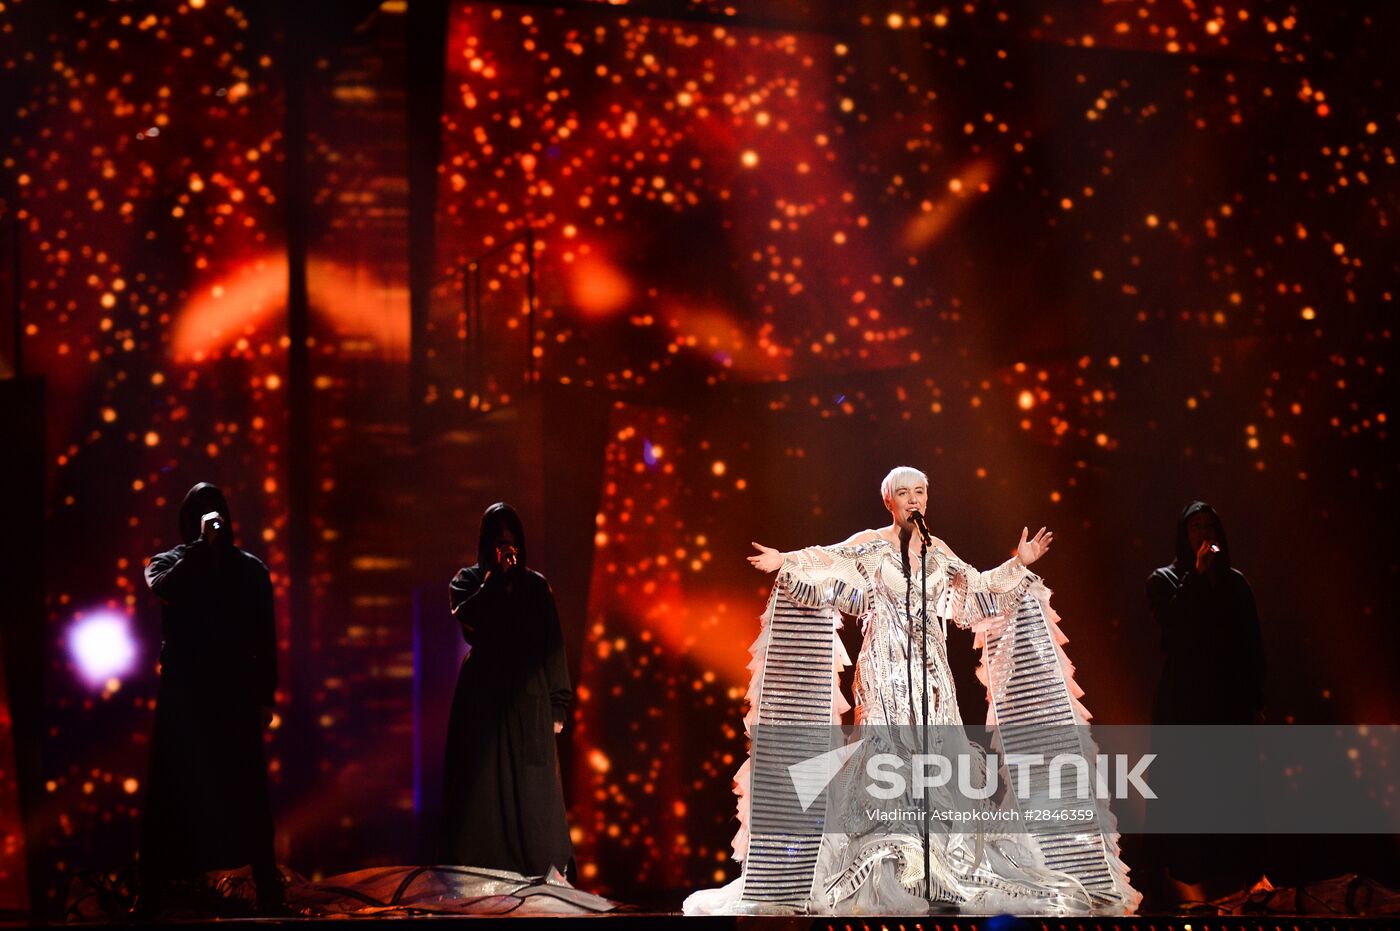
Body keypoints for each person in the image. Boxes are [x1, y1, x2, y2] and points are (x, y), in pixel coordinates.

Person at [685, 466, 1138, 915]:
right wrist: (786, 560)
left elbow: (976, 593)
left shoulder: (938, 551)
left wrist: (1017, 564)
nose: (914, 499)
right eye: (904, 493)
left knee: (936, 758)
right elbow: (826, 560)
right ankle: (890, 870)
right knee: (890, 759)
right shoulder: (870, 546)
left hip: (932, 675)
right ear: (890, 501)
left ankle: (941, 868)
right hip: (884, 672)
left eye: (920, 491)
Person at [138, 482, 282, 913]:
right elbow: (167, 588)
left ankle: (267, 889)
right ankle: (154, 892)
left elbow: (265, 636)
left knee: (248, 794)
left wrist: (265, 696)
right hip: (184, 695)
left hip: (234, 694)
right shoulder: (167, 563)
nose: (211, 516)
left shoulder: (250, 570)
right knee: (170, 790)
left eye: (216, 508)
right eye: (201, 510)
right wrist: (201, 548)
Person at [440, 502, 574, 878]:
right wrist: (494, 581)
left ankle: (541, 870)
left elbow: (552, 644)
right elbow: (471, 618)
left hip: (528, 699)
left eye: (511, 540)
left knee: (534, 791)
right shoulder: (467, 582)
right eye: (498, 541)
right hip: (483, 699)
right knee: (482, 789)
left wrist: (558, 704)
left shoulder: (536, 586)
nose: (506, 548)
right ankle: (481, 873)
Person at [1146, 500, 1265, 904]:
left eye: (1209, 525)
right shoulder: (1164, 580)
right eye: (1196, 526)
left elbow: (1252, 644)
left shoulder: (1237, 584)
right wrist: (1196, 577)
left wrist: (1256, 700)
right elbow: (1176, 629)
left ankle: (1242, 885)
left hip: (1228, 706)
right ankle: (1182, 889)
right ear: (1184, 535)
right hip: (1184, 706)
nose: (1204, 532)